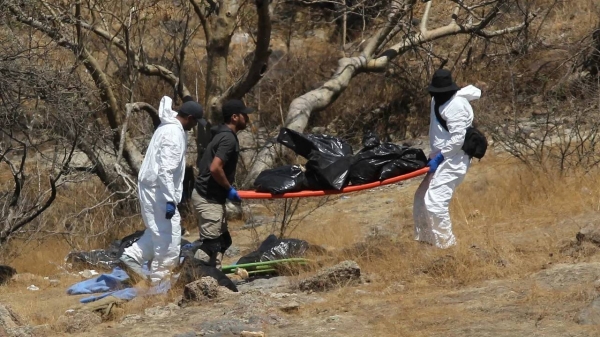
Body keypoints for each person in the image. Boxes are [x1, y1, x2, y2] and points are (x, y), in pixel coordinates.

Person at [120, 95, 206, 285]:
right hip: (158, 190)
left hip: (154, 187)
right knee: (169, 237)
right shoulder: (174, 134)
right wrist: (169, 200)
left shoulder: (168, 126)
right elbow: (166, 170)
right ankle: (160, 282)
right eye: (194, 122)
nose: (194, 127)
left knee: (158, 231)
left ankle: (131, 258)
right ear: (190, 118)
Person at [413, 69, 481, 249]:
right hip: (439, 158)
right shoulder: (436, 100)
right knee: (421, 198)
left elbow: (458, 138)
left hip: (455, 159)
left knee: (435, 202)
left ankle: (447, 248)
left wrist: (441, 156)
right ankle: (428, 243)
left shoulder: (456, 105)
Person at [191, 99, 254, 269]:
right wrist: (229, 189)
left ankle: (214, 279)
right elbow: (215, 168)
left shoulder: (223, 135)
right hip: (207, 198)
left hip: (212, 197)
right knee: (211, 245)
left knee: (222, 241)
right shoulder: (228, 139)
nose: (247, 119)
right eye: (244, 115)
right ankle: (191, 276)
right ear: (234, 117)